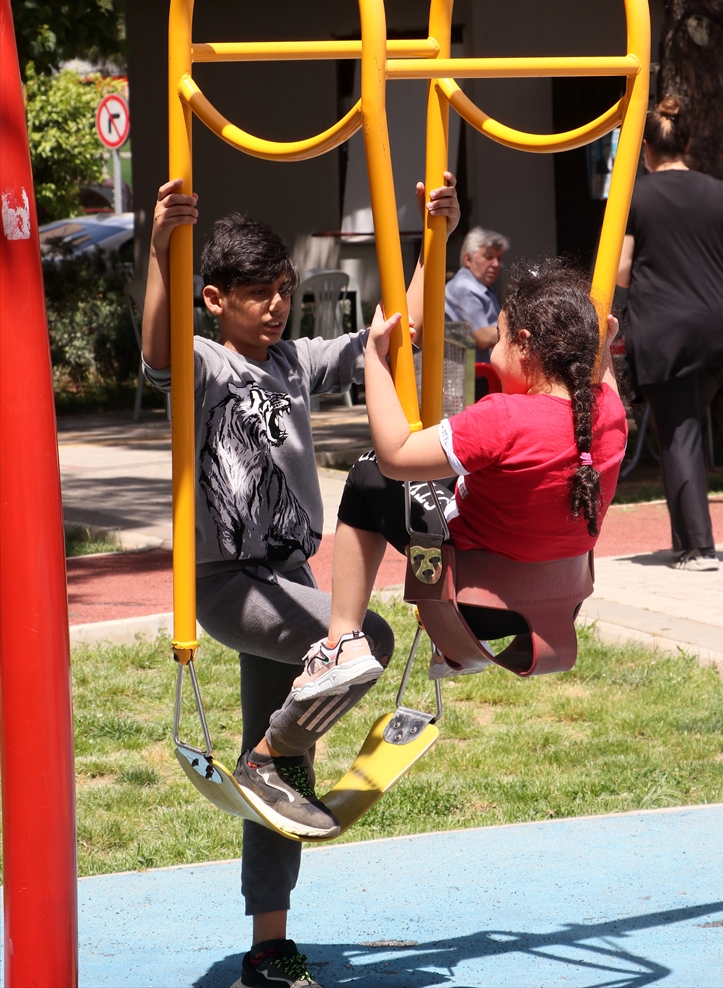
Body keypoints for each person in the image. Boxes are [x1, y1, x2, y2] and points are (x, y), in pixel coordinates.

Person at [141, 173, 460, 988]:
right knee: (367, 636)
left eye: (282, 292)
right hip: (228, 585)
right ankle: (273, 754)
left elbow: (400, 331)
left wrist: (435, 238)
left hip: (287, 578)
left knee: (284, 777)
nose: (276, 308)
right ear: (214, 299)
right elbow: (158, 352)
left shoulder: (291, 361)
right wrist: (159, 250)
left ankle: (268, 946)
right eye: (257, 296)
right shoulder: (208, 361)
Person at [290, 259, 628, 702]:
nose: (494, 348)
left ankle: (342, 641)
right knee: (462, 480)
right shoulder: (609, 412)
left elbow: (396, 457)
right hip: (550, 605)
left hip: (470, 604)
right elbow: (600, 376)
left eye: (500, 336)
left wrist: (374, 358)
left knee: (367, 474)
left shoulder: (504, 418)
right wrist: (602, 346)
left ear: (524, 343)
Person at [617, 95, 723, 572]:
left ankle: (699, 546)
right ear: (687, 142)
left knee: (679, 433)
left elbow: (623, 269)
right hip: (721, 328)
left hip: (665, 328)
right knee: (688, 422)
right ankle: (683, 537)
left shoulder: (638, 198)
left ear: (646, 150)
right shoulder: (722, 194)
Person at [444, 226, 509, 361]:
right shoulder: (464, 288)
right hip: (471, 378)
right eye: (489, 257)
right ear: (467, 259)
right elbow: (484, 337)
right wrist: (521, 330)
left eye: (499, 258)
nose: (496, 264)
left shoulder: (481, 287)